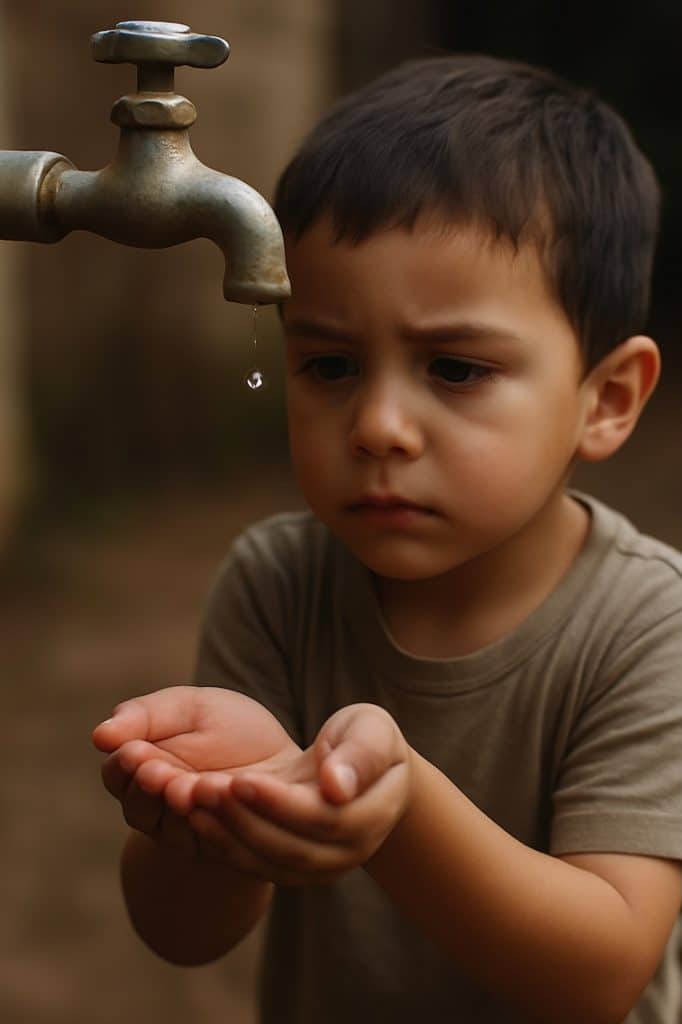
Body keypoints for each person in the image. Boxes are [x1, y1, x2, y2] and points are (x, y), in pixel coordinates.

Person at [92, 54, 682, 1023]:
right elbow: (183, 935)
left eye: (454, 369)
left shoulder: (647, 625)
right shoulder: (279, 584)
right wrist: (212, 809)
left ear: (606, 399)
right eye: (330, 365)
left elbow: (600, 974)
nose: (377, 427)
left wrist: (399, 808)